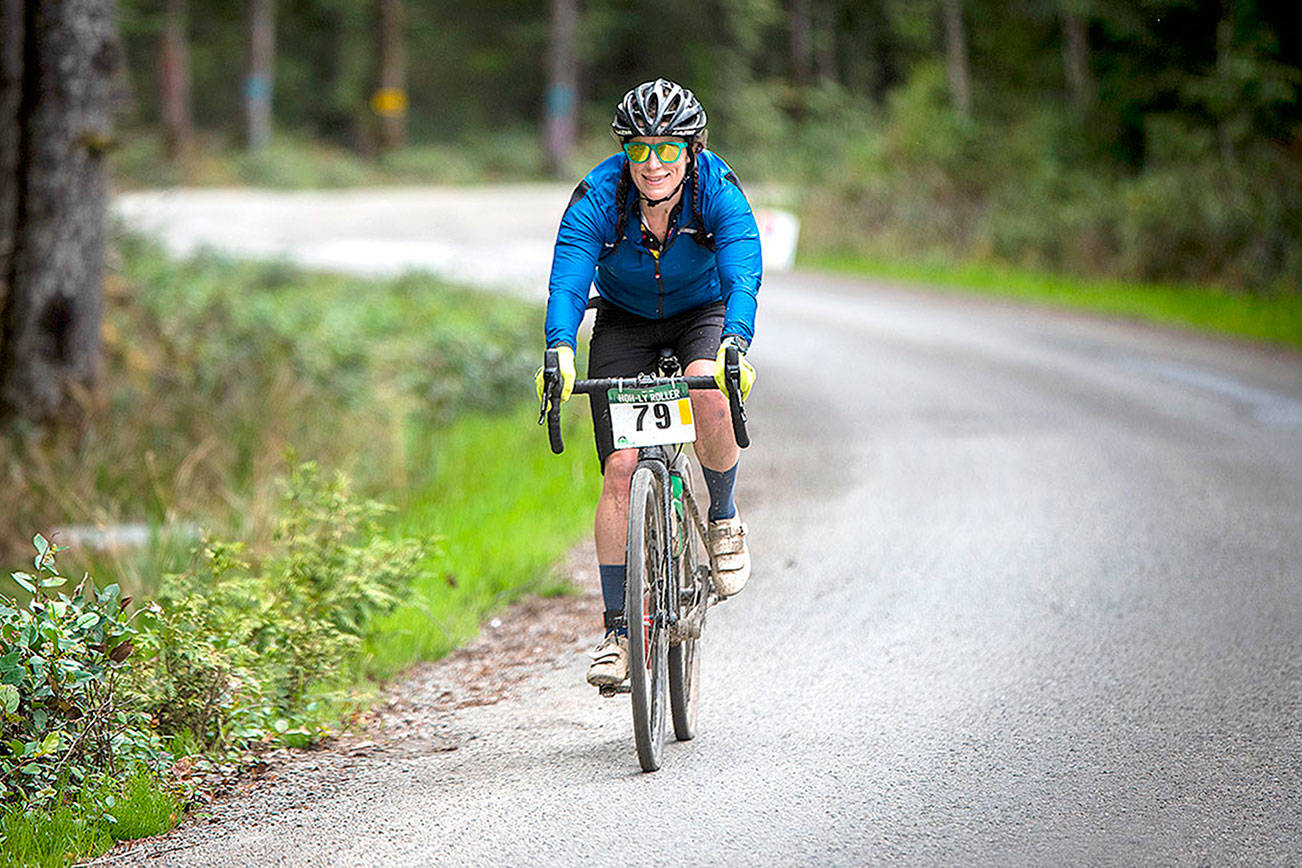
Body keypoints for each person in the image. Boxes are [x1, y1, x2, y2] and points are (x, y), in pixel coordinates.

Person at [536, 79, 760, 688]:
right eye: (639, 150)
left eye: (668, 149)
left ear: (692, 150)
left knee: (705, 388)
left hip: (701, 310)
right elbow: (567, 280)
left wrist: (734, 342)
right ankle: (618, 632)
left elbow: (743, 273)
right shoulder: (597, 197)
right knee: (619, 469)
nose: (653, 163)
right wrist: (558, 347)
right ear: (624, 153)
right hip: (625, 319)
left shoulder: (717, 189)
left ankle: (722, 516)